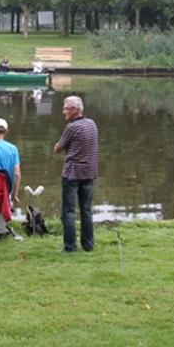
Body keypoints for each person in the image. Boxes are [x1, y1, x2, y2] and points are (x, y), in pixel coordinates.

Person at [54, 95, 99, 252]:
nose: (63, 111)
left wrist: (61, 146)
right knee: (86, 210)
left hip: (72, 174)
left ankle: (70, 247)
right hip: (89, 172)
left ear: (75, 109)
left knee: (68, 211)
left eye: (66, 108)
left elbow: (58, 148)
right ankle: (88, 244)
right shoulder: (92, 124)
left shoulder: (71, 127)